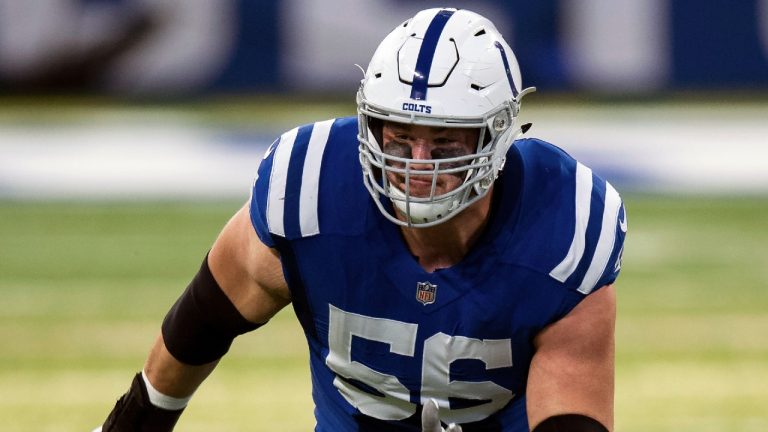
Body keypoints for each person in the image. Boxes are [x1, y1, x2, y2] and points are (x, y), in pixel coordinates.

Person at [97, 8, 626, 432]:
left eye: (444, 141)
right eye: (398, 135)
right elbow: (203, 321)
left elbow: (571, 410)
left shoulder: (563, 225)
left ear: (498, 137)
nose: (417, 163)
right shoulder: (312, 192)